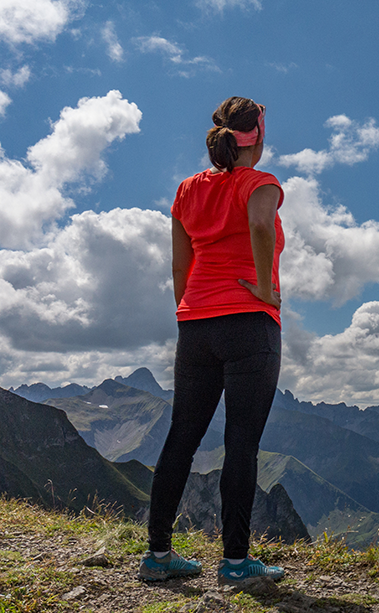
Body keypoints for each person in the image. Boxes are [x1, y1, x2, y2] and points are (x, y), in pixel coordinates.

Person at [139, 96, 285, 585]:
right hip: (250, 321)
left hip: (196, 322)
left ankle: (157, 554)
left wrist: (191, 311)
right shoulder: (261, 184)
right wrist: (264, 288)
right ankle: (237, 563)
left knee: (182, 436)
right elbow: (261, 224)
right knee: (241, 444)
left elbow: (181, 266)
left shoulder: (186, 191)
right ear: (258, 137)